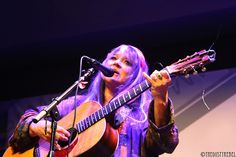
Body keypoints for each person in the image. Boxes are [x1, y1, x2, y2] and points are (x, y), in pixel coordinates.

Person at [8, 44, 179, 156]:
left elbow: (166, 144)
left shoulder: (140, 117)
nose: (117, 63)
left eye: (127, 62)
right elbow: (32, 116)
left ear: (136, 75)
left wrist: (160, 98)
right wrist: (36, 127)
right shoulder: (79, 104)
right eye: (113, 58)